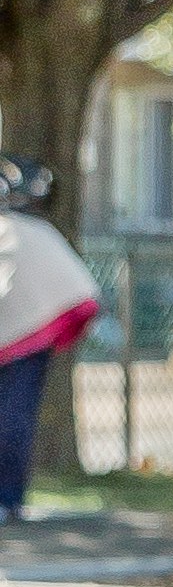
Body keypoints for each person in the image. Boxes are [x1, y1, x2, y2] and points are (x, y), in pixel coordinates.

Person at [0, 174, 99, 524]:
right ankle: (9, 497)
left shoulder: (11, 232)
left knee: (13, 413)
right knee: (17, 411)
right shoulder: (30, 230)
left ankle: (8, 497)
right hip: (32, 329)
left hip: (22, 332)